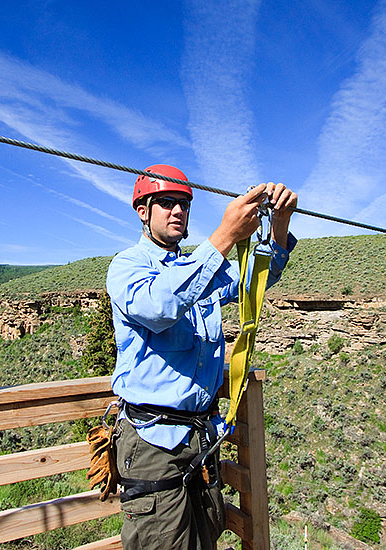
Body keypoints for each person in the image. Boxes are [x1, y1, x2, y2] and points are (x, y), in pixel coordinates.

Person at [105, 164, 297, 549]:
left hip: (201, 440)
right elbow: (160, 307)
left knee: (206, 537)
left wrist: (279, 225)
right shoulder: (127, 266)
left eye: (183, 203)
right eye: (165, 202)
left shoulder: (198, 267)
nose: (177, 210)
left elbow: (256, 278)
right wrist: (225, 235)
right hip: (152, 443)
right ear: (143, 211)